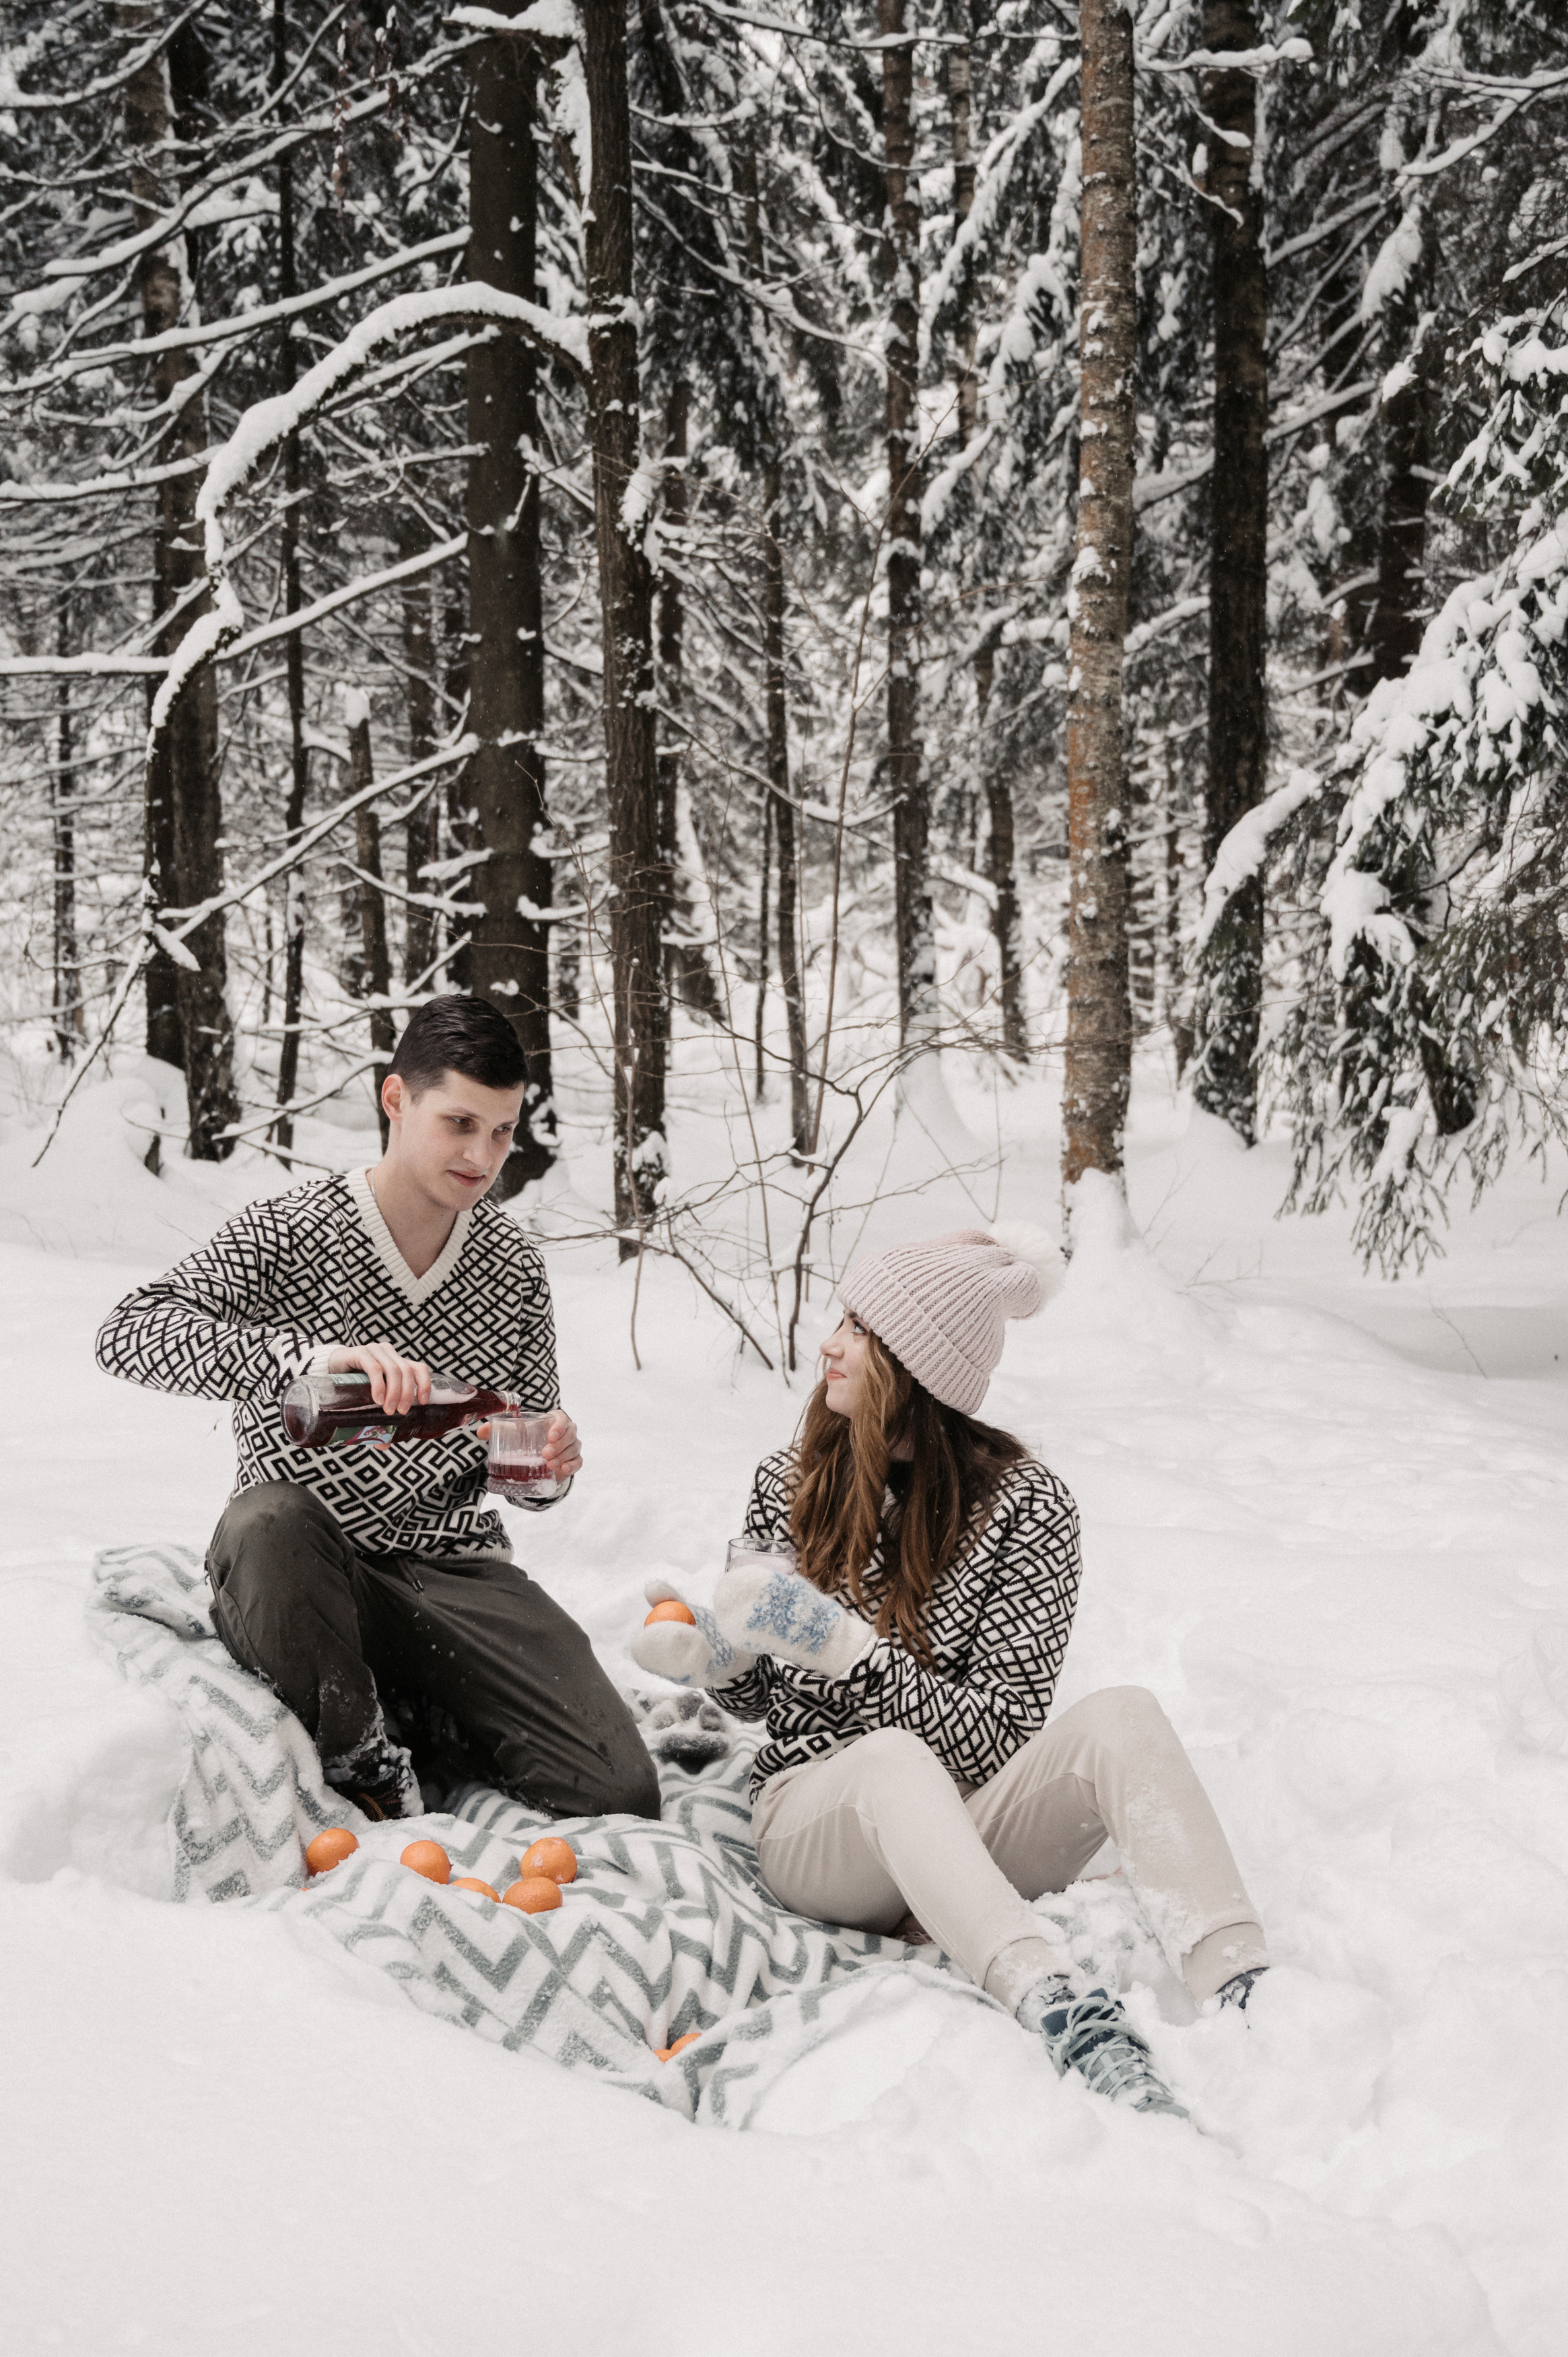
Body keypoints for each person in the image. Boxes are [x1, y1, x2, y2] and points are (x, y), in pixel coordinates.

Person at [633, 1230, 1268, 2119]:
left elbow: (997, 1738)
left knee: (1123, 1714)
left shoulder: (1029, 1509)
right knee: (890, 1758)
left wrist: (852, 1654)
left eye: (859, 1328)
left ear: (916, 1364)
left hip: (969, 1824)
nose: (830, 1344)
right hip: (819, 1826)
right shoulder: (788, 1480)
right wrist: (718, 1658)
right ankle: (1057, 2004)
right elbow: (766, 1700)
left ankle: (1244, 1988)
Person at [97, 995, 660, 1826]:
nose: (482, 1156)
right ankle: (367, 1762)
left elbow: (516, 1455)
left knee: (617, 1790)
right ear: (396, 1098)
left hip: (454, 1574)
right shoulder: (288, 1230)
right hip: (305, 1571)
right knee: (265, 1522)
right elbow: (128, 1332)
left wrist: (544, 1466)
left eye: (502, 1131)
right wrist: (302, 1362)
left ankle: (424, 1708)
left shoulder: (512, 1264)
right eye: (459, 1123)